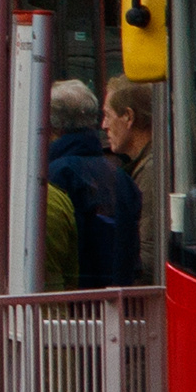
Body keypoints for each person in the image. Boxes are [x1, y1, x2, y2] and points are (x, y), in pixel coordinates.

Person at [45, 79, 140, 293]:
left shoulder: (56, 176)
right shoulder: (120, 175)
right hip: (119, 303)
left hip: (79, 307)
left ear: (52, 125)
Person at [104, 78, 166, 282]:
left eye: (107, 115)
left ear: (128, 117)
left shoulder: (152, 171)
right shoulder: (153, 163)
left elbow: (149, 257)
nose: (104, 125)